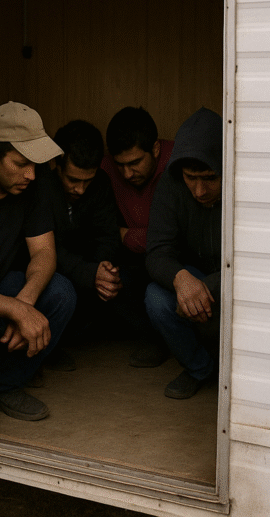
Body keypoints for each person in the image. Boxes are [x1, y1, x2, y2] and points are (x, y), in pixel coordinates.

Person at [0, 102, 76, 421]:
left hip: (4, 285)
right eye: (20, 164)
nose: (31, 174)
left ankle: (1, 384)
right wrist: (18, 311)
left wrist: (26, 301)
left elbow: (44, 253)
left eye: (35, 164)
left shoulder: (32, 180)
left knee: (61, 294)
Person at [144, 107, 223, 399]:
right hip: (194, 280)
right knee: (155, 298)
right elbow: (156, 252)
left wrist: (206, 287)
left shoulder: (246, 185)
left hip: (232, 287)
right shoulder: (172, 183)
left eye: (209, 178)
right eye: (192, 177)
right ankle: (200, 370)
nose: (199, 190)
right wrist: (181, 279)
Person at [99, 106, 174, 366]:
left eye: (134, 163)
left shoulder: (176, 163)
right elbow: (102, 229)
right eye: (120, 165)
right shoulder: (106, 167)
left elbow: (173, 238)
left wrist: (127, 236)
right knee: (108, 278)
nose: (127, 173)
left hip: (173, 258)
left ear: (155, 149)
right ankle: (154, 338)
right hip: (133, 260)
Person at [43, 120, 124, 341]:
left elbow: (107, 236)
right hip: (55, 272)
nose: (79, 189)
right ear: (57, 164)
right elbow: (46, 250)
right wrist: (89, 273)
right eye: (72, 180)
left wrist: (102, 270)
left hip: (89, 269)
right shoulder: (42, 187)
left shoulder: (101, 183)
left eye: (87, 181)